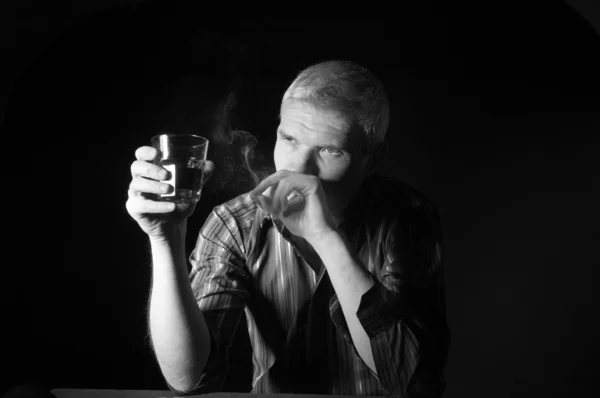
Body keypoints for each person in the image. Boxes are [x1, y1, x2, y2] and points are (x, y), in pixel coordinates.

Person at [126, 60, 450, 397]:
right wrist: (165, 239)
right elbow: (187, 377)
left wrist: (325, 238)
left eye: (329, 150)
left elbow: (410, 379)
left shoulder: (408, 217)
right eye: (290, 139)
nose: (298, 168)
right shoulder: (237, 223)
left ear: (372, 160)